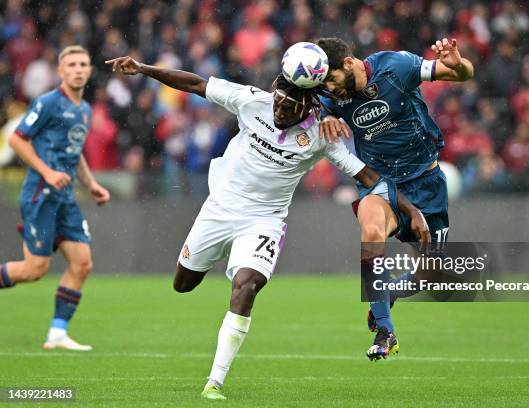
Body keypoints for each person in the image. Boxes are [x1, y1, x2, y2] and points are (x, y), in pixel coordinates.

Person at [106, 53, 429, 400]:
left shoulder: (321, 135)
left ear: (307, 106)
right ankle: (202, 274)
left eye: (289, 108)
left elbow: (367, 176)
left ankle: (214, 382)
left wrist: (411, 209)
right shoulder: (252, 102)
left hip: (264, 220)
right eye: (279, 102)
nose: (279, 111)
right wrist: (144, 69)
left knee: (247, 285)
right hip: (220, 208)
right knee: (183, 284)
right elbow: (196, 83)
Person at [315, 36, 474, 360]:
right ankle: (386, 332)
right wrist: (325, 117)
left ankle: (384, 297)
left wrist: (458, 64)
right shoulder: (331, 95)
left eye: (331, 79)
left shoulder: (396, 66)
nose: (330, 89)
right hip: (381, 185)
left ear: (348, 63)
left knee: (433, 276)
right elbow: (312, 108)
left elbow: (463, 74)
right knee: (371, 232)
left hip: (426, 182)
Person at [0, 46, 111, 351]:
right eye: (71, 64)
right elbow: (16, 139)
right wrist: (47, 172)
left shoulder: (84, 110)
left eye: (83, 64)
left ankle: (57, 333)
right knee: (34, 270)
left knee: (82, 263)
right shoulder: (48, 103)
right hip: (41, 194)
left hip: (66, 198)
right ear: (61, 71)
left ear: (89, 71)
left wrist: (91, 184)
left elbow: (75, 155)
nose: (77, 69)